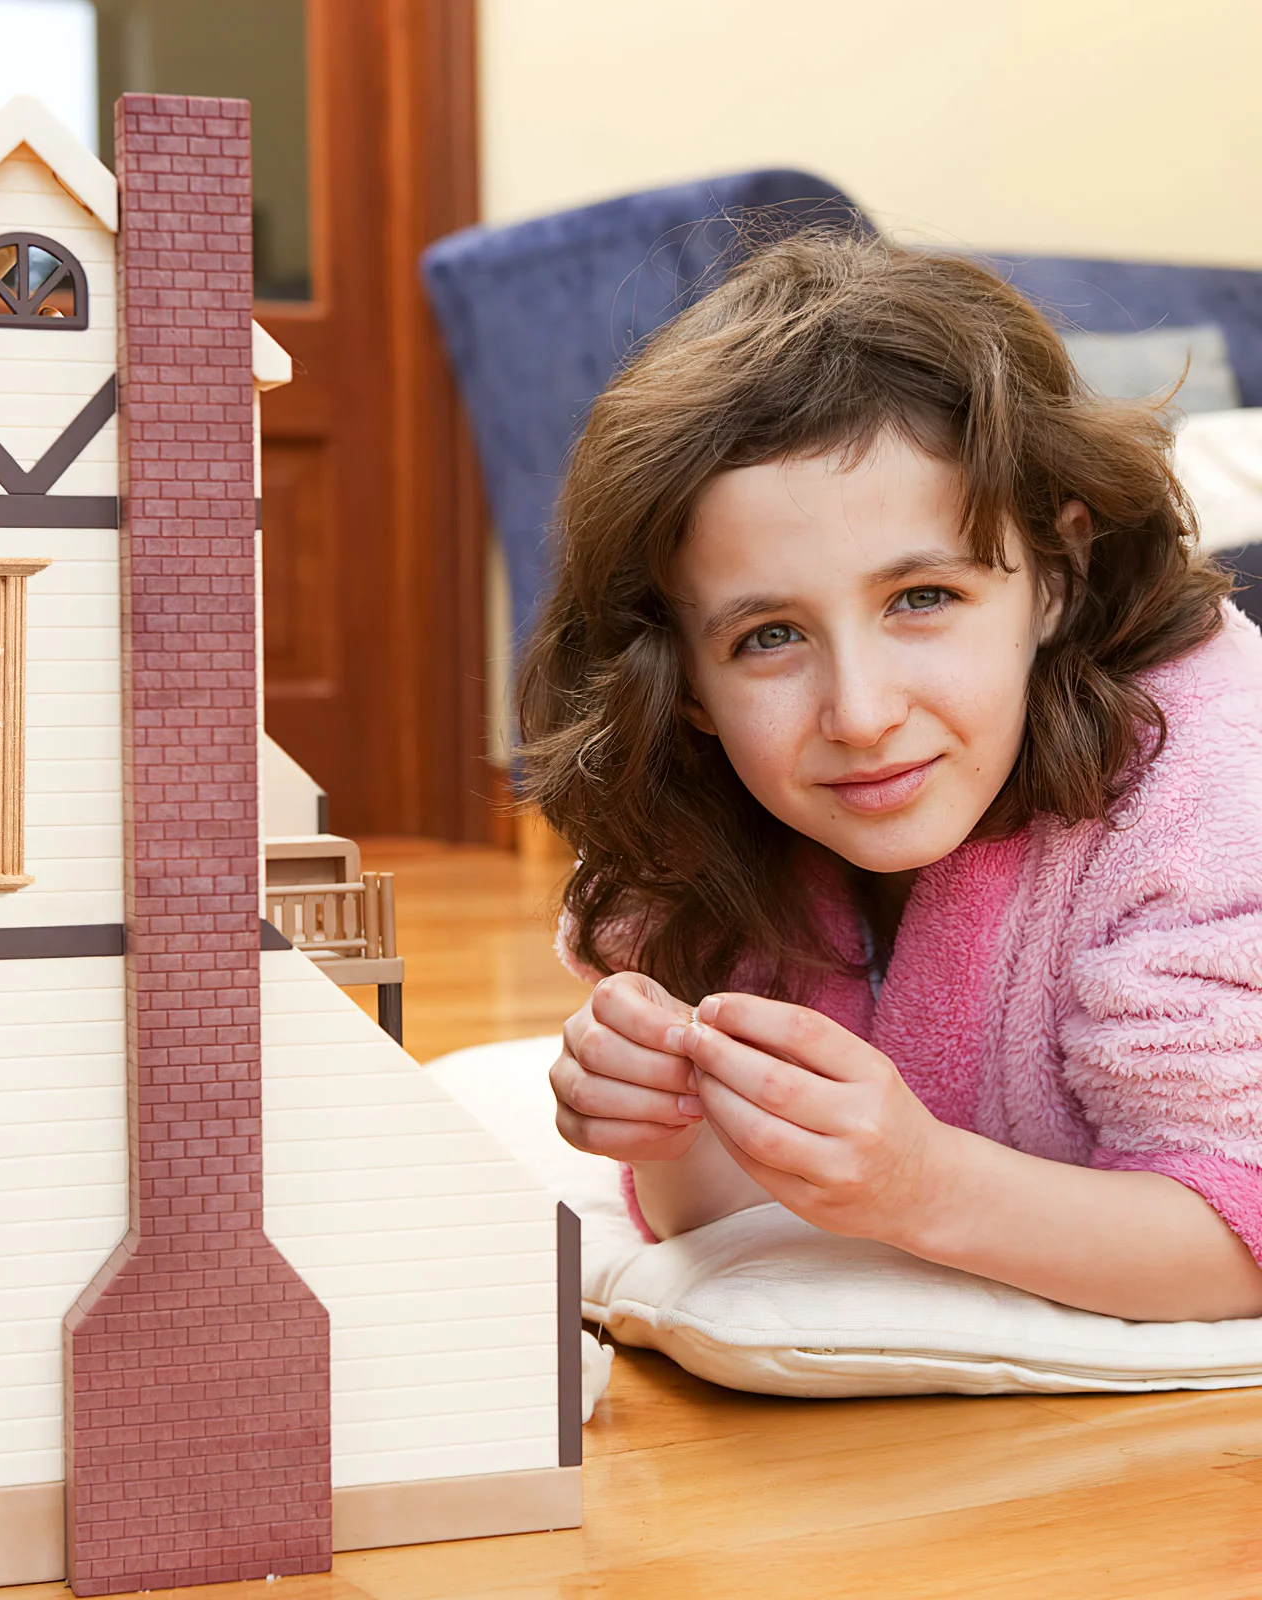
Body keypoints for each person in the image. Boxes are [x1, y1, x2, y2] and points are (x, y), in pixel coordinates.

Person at [521, 229, 1262, 1323]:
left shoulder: (1204, 793)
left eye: (921, 599)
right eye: (768, 635)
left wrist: (926, 1185)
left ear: (1052, 575)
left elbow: (1235, 1231)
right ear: (681, 681)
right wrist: (666, 1124)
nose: (861, 715)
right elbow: (730, 1217)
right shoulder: (696, 818)